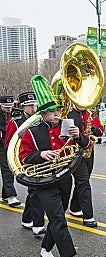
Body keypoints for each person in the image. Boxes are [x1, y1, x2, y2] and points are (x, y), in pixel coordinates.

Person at [19, 75, 84, 257]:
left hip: (64, 177)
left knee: (58, 217)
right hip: (44, 180)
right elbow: (24, 158)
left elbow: (85, 145)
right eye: (52, 112)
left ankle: (46, 249)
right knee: (57, 218)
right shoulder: (31, 132)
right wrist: (40, 154)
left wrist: (79, 135)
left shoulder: (66, 127)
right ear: (43, 114)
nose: (56, 114)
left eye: (57, 110)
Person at [4, 92, 46, 235]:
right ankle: (35, 222)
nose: (33, 108)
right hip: (24, 160)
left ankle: (27, 218)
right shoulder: (15, 122)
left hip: (38, 159)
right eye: (29, 106)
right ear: (22, 107)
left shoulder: (39, 120)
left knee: (34, 191)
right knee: (35, 190)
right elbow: (9, 144)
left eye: (34, 105)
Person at [67, 104, 104, 227]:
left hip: (89, 151)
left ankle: (74, 207)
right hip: (75, 152)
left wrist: (96, 130)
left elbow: (100, 130)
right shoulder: (69, 114)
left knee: (83, 181)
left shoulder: (91, 114)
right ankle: (88, 216)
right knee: (84, 183)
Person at [0, 95, 22, 206]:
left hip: (8, 145)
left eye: (10, 106)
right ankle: (9, 195)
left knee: (8, 170)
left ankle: (8, 195)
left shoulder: (17, 113)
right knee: (6, 170)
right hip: (1, 143)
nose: (9, 109)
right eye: (6, 107)